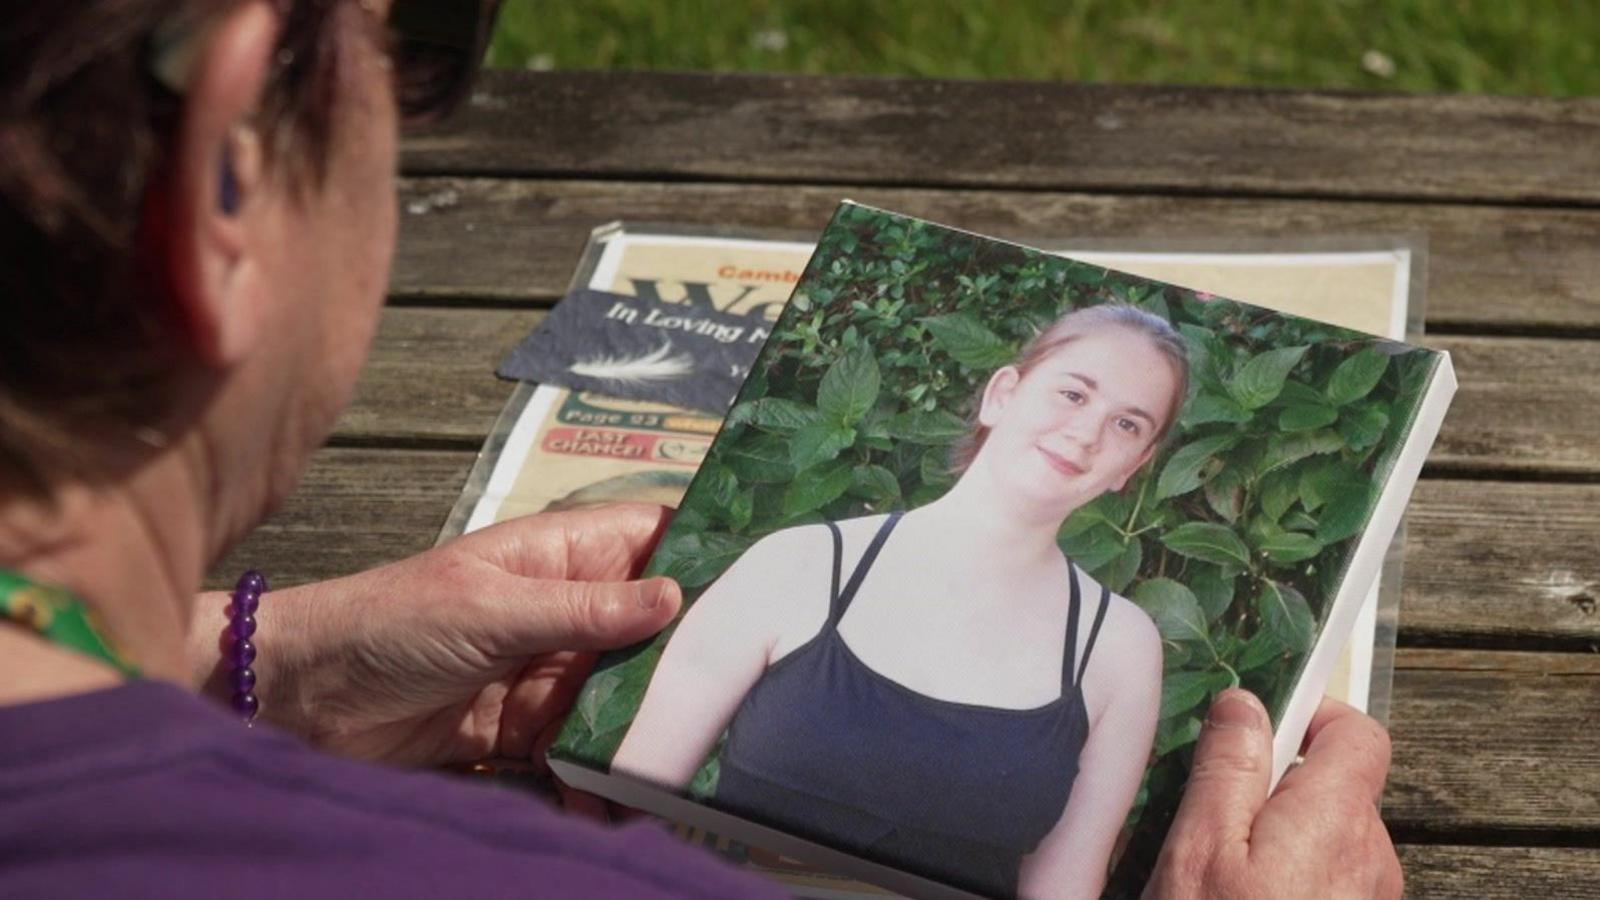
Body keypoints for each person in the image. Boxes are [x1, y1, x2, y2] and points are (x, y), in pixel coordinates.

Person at [0, 1, 1401, 898]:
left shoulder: (1106, 642)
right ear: (227, 163)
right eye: (416, 27)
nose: (1088, 431)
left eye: (1129, 425)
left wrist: (257, 660)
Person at [616, 305, 1180, 898]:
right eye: (1072, 393)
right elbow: (625, 815)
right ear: (1002, 395)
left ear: (1133, 467)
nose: (1087, 433)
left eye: (1127, 425)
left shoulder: (1119, 647)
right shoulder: (794, 567)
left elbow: (1065, 888)